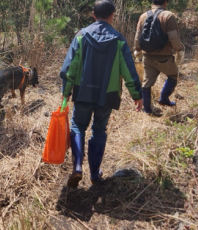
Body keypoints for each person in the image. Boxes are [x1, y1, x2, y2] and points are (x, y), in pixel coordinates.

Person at [60, 0, 143, 188]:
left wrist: (66, 92)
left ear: (93, 14)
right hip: (108, 95)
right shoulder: (118, 40)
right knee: (99, 130)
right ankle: (95, 174)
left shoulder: (81, 36)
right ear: (112, 16)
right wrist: (136, 94)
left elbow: (69, 67)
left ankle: (78, 166)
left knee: (78, 126)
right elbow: (128, 70)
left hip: (83, 93)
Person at [134, 0, 184, 116]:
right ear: (165, 2)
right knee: (172, 76)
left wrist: (137, 49)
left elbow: (137, 36)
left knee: (147, 83)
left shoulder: (143, 16)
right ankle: (164, 98)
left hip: (147, 56)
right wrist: (179, 50)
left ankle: (147, 109)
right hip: (164, 57)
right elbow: (173, 38)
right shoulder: (168, 16)